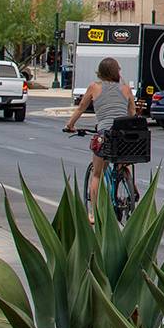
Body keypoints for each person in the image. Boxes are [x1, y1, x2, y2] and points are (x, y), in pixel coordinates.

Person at [64, 57, 136, 216]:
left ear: (100, 72)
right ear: (117, 71)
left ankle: (93, 213)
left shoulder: (94, 87)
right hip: (123, 134)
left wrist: (70, 126)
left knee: (97, 173)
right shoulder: (126, 89)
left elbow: (81, 109)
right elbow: (132, 113)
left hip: (105, 134)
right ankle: (130, 184)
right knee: (123, 159)